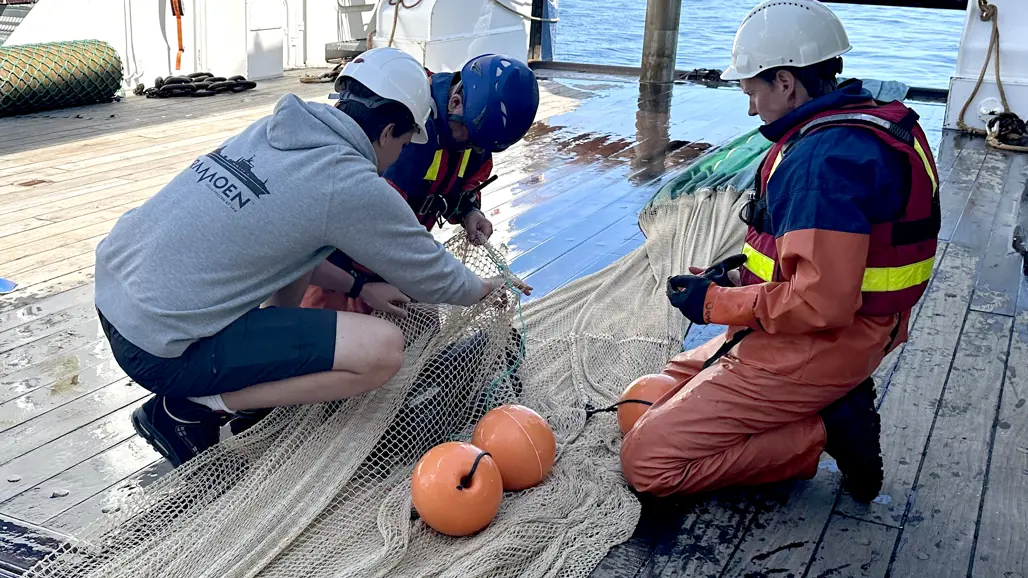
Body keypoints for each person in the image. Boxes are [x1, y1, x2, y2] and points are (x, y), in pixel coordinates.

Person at [94, 47, 514, 468]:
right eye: (405, 142)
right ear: (387, 132)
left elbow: (287, 240)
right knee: (384, 349)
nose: (402, 152)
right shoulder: (347, 178)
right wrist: (481, 288)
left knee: (298, 245)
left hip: (114, 294)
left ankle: (249, 392)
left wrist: (360, 286)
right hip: (158, 349)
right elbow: (432, 277)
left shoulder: (273, 130)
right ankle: (191, 408)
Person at [619, 0, 940, 503]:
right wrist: (735, 279)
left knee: (648, 461)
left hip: (826, 342)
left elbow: (821, 305)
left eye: (752, 91)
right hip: (825, 328)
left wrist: (714, 304)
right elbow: (824, 264)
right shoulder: (863, 123)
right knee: (651, 392)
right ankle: (814, 406)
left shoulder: (821, 165)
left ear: (786, 82)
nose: (750, 108)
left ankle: (825, 428)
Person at [300, 53, 540, 314]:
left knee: (421, 327)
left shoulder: (476, 130)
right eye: (471, 140)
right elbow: (382, 227)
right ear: (456, 102)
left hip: (397, 265)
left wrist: (469, 210)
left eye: (482, 146)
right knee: (333, 342)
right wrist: (476, 288)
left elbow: (467, 179)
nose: (474, 148)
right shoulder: (405, 126)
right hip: (333, 272)